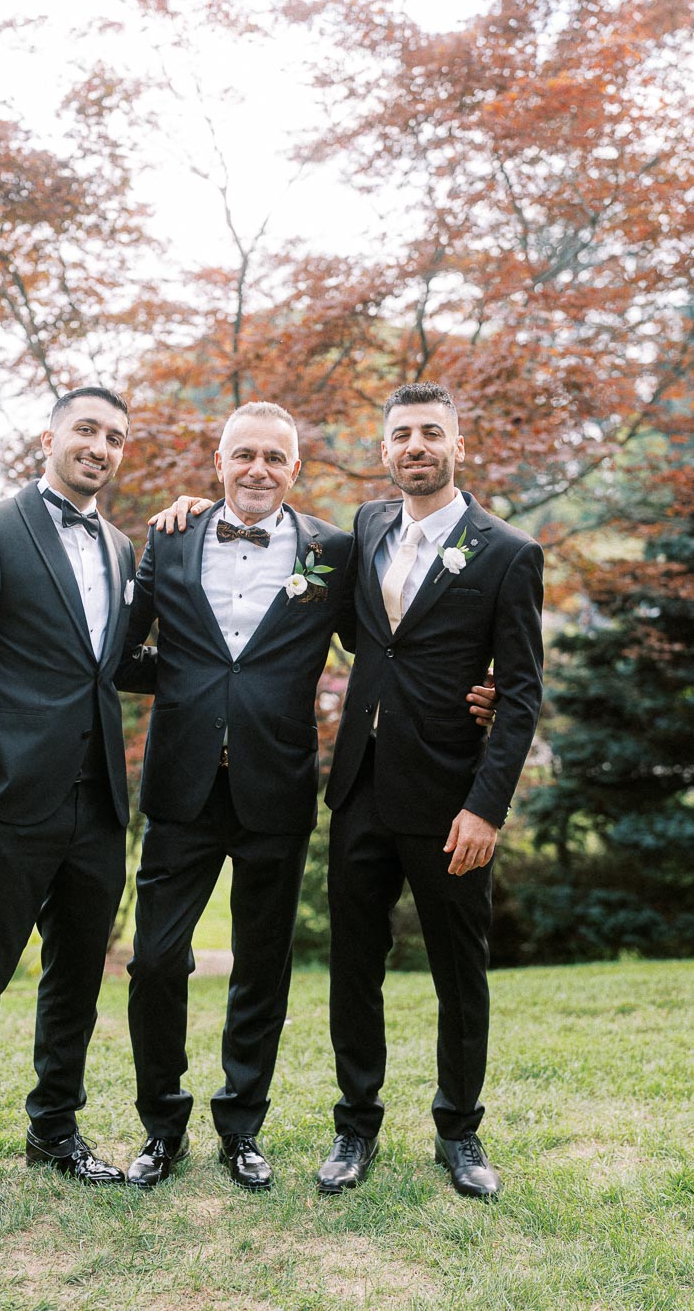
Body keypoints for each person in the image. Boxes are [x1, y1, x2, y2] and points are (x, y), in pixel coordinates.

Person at [120, 402, 495, 1192]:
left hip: (277, 789)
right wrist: (197, 685)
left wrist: (479, 689)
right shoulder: (170, 535)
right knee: (155, 962)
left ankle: (241, 1127)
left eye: (275, 458)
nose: (258, 469)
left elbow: (393, 638)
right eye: (243, 454)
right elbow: (124, 653)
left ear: (297, 469)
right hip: (183, 786)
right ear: (217, 461)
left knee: (263, 965)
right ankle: (161, 1126)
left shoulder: (334, 548)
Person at [316, 382, 544, 1201]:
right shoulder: (367, 526)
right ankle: (355, 1126)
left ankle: (459, 1131)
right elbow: (361, 632)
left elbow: (518, 693)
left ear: (457, 445)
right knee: (353, 965)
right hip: (360, 789)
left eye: (431, 434)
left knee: (459, 970)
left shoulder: (508, 552)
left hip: (453, 800)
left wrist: (486, 805)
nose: (416, 446)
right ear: (384, 450)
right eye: (402, 435)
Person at [0, 386, 142, 1228]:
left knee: (76, 982)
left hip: (97, 809)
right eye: (86, 429)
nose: (99, 446)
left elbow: (112, 665)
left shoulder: (122, 549)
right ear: (50, 435)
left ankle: (54, 1132)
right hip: (7, 806)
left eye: (114, 437)